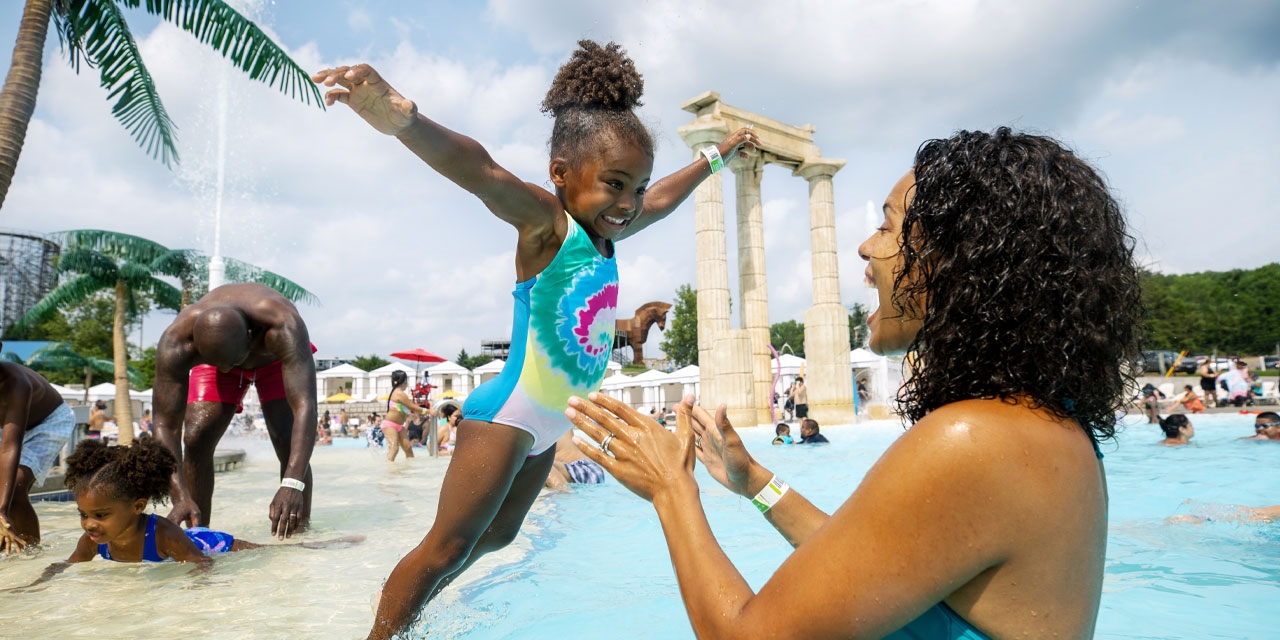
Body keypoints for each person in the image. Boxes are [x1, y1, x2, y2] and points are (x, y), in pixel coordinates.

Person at [567, 127, 1142, 638]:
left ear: (960, 260)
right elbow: (869, 567)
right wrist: (756, 483)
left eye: (888, 226)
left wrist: (671, 488)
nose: (866, 246)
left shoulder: (976, 440)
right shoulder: (1045, 427)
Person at [315, 39, 757, 639]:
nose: (628, 203)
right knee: (446, 547)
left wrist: (717, 156)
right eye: (614, 183)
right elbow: (482, 172)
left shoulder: (609, 235)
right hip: (509, 413)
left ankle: (409, 611)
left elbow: (662, 200)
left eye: (636, 186)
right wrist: (406, 122)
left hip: (548, 425)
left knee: (497, 537)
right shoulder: (548, 226)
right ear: (561, 174)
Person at [150, 283, 318, 540]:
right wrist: (179, 496)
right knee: (196, 437)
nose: (228, 370)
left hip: (273, 359)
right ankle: (197, 532)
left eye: (233, 363)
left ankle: (299, 532)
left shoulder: (282, 324)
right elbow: (164, 424)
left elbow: (305, 405)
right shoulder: (176, 342)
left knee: (286, 437)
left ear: (250, 335)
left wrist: (292, 483)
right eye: (220, 364)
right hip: (222, 353)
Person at [0, 352, 77, 553]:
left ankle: (31, 553)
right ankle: (6, 546)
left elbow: (10, 446)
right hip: (5, 428)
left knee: (15, 486)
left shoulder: (16, 383)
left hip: (48, 422)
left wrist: (1, 509)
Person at [382, 370, 430, 461]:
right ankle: (389, 468)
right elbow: (412, 407)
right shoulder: (399, 393)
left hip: (399, 426)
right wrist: (429, 411)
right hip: (390, 425)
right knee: (394, 449)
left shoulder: (398, 393)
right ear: (404, 381)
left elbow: (407, 410)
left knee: (408, 449)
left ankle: (409, 469)